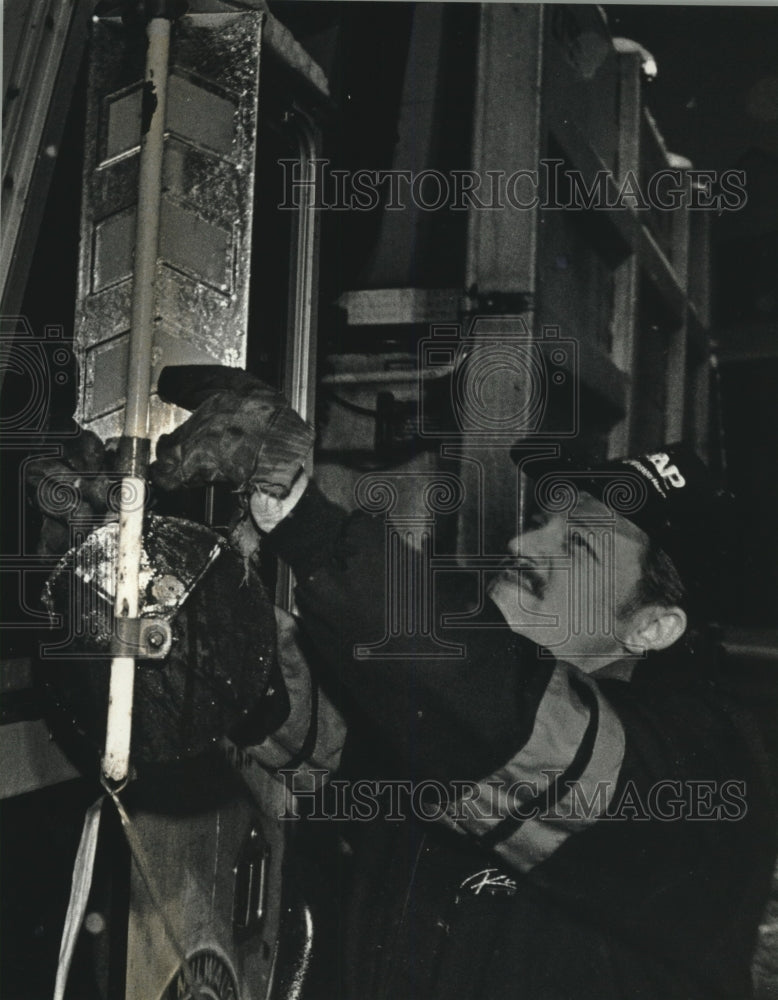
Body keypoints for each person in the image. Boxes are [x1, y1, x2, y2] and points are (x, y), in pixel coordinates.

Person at [150, 368, 777, 999]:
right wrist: (136, 570)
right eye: (543, 522)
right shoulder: (467, 732)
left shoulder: (701, 766)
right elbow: (327, 728)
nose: (524, 544)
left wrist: (301, 511)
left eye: (579, 546)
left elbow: (495, 712)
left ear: (654, 627)